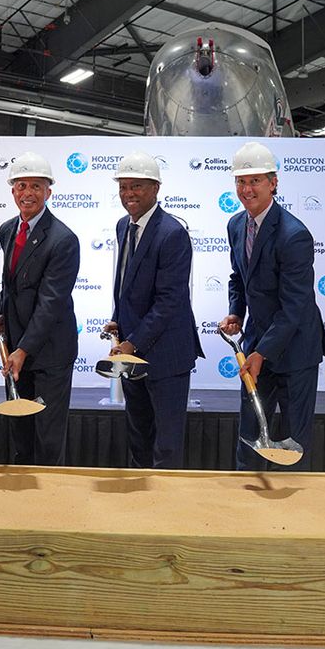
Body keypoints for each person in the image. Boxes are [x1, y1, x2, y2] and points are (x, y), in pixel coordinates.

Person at [218, 141, 325, 472]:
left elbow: (294, 307)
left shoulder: (294, 235)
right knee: (249, 438)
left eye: (255, 181)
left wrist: (261, 354)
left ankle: (291, 518)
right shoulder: (236, 225)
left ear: (273, 183)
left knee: (293, 447)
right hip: (258, 344)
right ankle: (244, 508)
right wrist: (236, 311)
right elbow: (239, 276)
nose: (247, 189)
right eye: (241, 181)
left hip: (295, 351)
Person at [102, 151, 202, 469]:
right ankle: (141, 509)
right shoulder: (123, 226)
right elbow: (126, 282)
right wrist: (118, 320)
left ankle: (166, 511)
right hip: (133, 351)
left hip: (166, 355)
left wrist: (132, 343)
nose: (129, 194)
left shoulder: (172, 233)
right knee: (139, 438)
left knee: (166, 445)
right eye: (124, 186)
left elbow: (169, 302)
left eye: (137, 186)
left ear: (156, 188)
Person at [0, 151, 80, 466]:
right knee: (21, 432)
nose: (28, 193)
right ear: (13, 191)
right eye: (22, 186)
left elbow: (50, 303)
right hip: (16, 348)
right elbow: (11, 285)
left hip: (49, 352)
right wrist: (5, 317)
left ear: (48, 192)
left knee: (47, 438)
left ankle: (49, 503)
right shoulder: (7, 230)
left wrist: (23, 350)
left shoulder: (63, 240)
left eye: (36, 187)